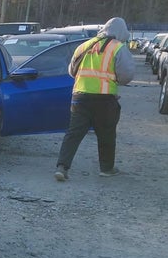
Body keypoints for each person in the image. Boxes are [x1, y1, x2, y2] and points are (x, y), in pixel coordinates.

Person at [54, 17, 135, 181]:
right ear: (121, 32)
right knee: (106, 135)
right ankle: (106, 168)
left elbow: (72, 71)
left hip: (80, 97)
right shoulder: (118, 48)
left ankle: (62, 167)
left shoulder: (84, 46)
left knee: (73, 134)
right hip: (105, 100)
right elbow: (127, 75)